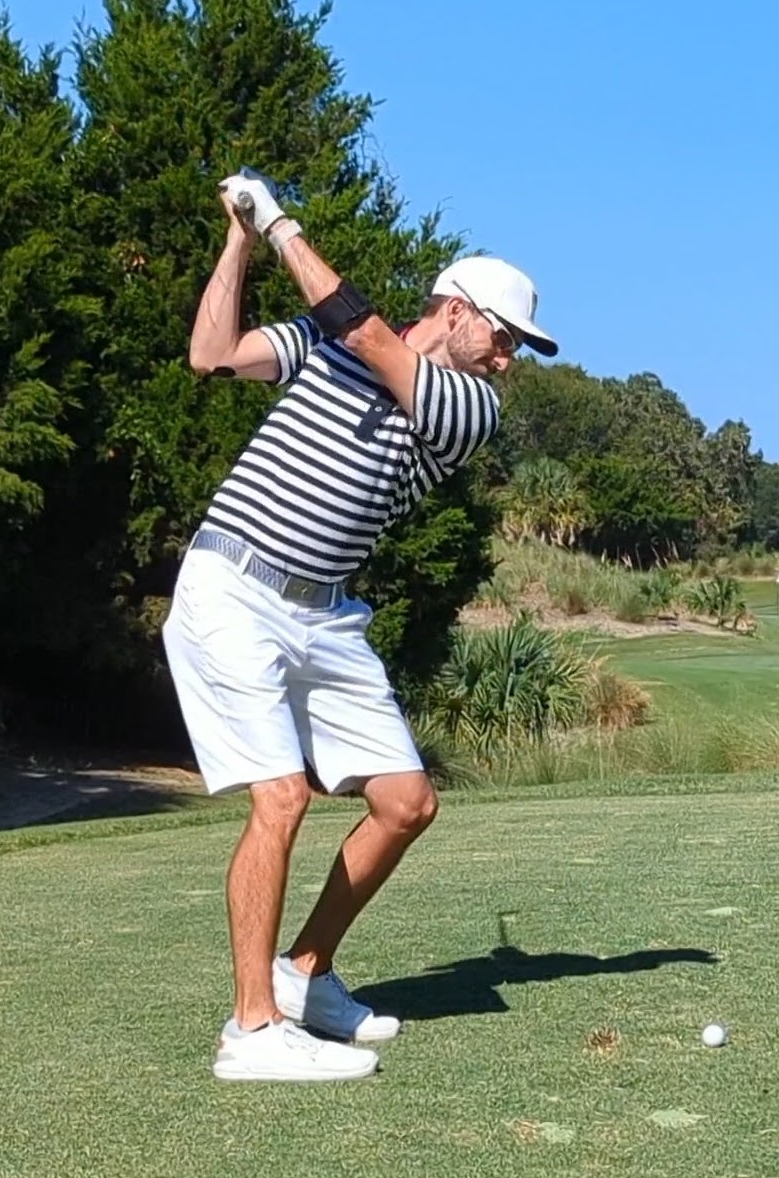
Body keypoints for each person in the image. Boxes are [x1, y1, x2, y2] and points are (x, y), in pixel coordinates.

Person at [164, 166, 557, 1082]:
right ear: (454, 310)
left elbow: (370, 333)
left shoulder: (466, 409)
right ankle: (252, 1031)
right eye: (503, 340)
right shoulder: (322, 344)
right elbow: (211, 355)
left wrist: (280, 223)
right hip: (231, 585)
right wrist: (235, 237)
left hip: (326, 616)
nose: (508, 362)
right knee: (283, 798)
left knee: (405, 802)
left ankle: (303, 974)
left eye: (516, 352)